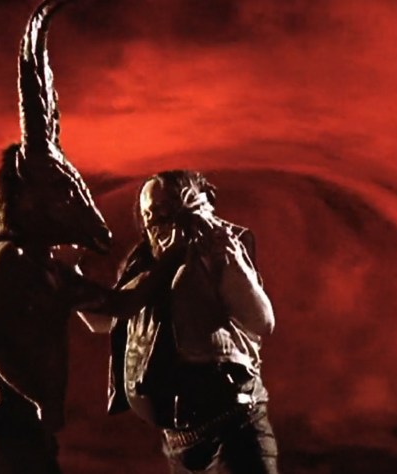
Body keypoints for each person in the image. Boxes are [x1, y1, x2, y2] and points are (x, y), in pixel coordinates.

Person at [0, 2, 175, 472]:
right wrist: (40, 398)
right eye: (60, 198)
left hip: (29, 432)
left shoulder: (47, 269)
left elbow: (119, 305)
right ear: (29, 200)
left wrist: (170, 259)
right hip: (1, 429)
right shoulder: (9, 259)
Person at [79, 170, 280, 473]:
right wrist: (67, 271)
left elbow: (261, 320)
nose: (153, 221)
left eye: (162, 210)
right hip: (180, 444)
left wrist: (229, 258)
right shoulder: (144, 265)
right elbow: (104, 318)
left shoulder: (214, 249)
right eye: (147, 214)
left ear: (188, 206)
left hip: (233, 431)